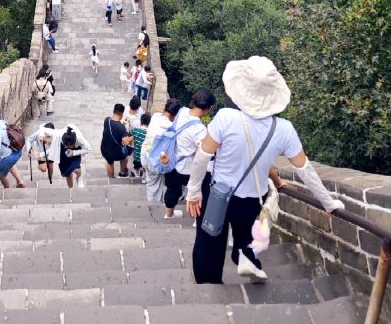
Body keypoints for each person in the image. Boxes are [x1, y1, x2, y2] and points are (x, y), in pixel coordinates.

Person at [186, 56, 344, 285]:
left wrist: (193, 191)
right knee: (245, 237)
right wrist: (328, 202)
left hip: (216, 193)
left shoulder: (226, 117)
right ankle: (246, 259)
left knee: (208, 242)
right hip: (251, 199)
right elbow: (304, 169)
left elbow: (203, 155)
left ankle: (210, 289)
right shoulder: (284, 130)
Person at [162, 89, 214, 218]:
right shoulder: (199, 129)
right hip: (187, 169)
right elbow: (205, 151)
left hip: (173, 160)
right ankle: (197, 219)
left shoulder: (182, 111)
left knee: (172, 189)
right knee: (201, 189)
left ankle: (169, 215)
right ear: (208, 109)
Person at [0, 108, 26, 189]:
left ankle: (6, 189)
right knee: (10, 164)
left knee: (1, 173)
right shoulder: (3, 123)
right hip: (17, 152)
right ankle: (20, 181)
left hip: (8, 157)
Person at [141, 108, 170, 203]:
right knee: (156, 183)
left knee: (152, 184)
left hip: (145, 155)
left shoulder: (155, 116)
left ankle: (153, 204)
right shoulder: (170, 126)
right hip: (154, 160)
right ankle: (155, 207)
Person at [100, 103, 134, 179]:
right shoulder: (121, 127)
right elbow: (126, 142)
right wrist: (133, 136)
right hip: (116, 153)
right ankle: (122, 173)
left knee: (110, 162)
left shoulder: (107, 120)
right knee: (125, 156)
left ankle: (111, 179)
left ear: (113, 111)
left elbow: (113, 129)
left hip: (105, 150)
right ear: (122, 115)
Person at [131, 112, 151, 181]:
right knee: (145, 165)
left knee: (137, 164)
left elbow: (129, 134)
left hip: (136, 155)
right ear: (149, 123)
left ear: (141, 122)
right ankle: (144, 177)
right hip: (145, 156)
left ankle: (137, 172)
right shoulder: (149, 132)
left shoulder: (135, 130)